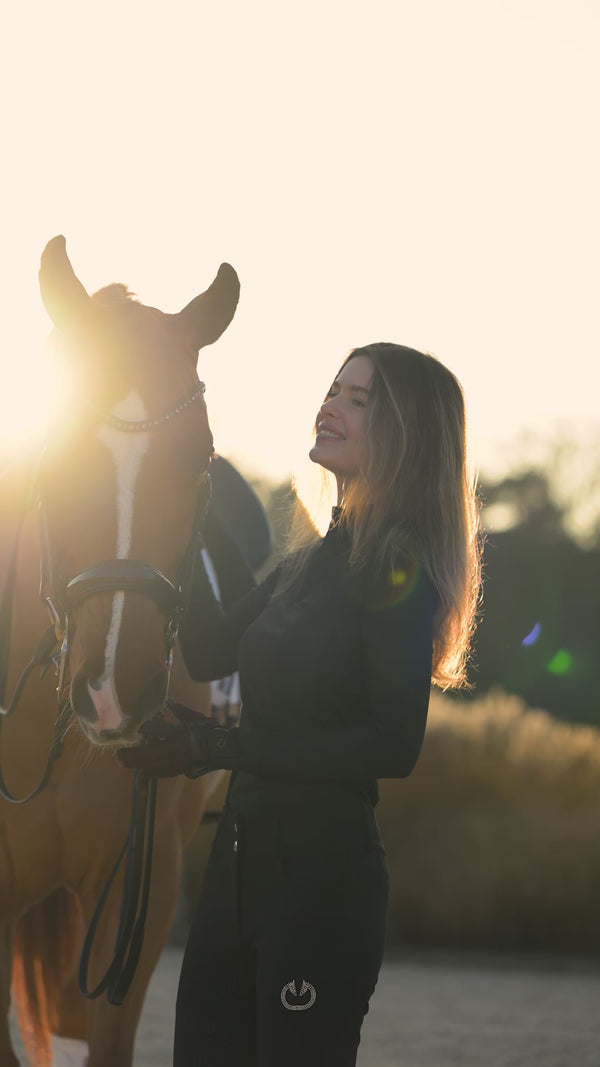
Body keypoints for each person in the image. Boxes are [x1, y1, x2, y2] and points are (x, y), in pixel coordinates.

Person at [119, 342, 481, 1067]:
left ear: (408, 431)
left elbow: (391, 744)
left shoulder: (396, 565)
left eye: (358, 397)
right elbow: (210, 651)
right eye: (332, 387)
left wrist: (213, 748)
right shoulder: (306, 559)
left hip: (321, 884)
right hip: (236, 869)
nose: (330, 404)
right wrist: (181, 517)